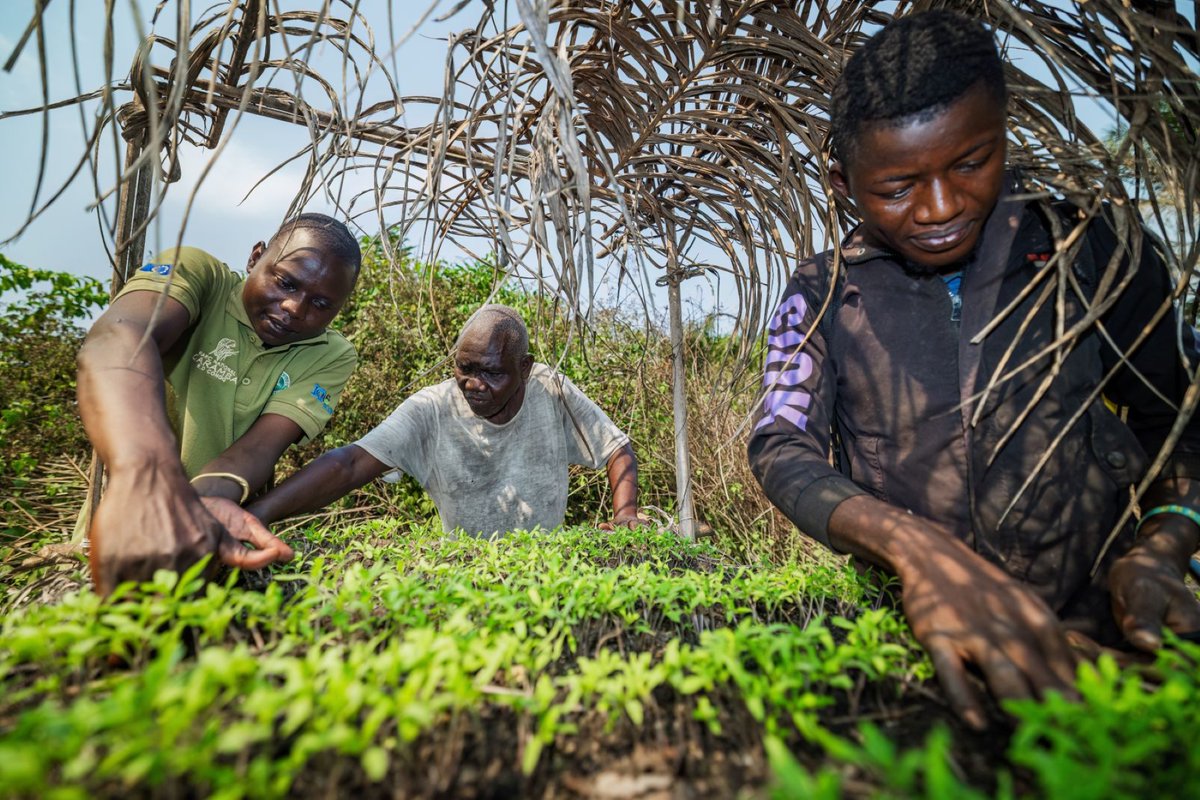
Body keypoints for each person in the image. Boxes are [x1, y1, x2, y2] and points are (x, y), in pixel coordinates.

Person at [748, 10, 1200, 729]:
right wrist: (916, 549)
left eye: (971, 162)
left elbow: (1183, 424)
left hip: (1111, 653)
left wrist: (1166, 545)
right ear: (842, 181)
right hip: (920, 661)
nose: (941, 207)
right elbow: (780, 444)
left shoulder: (1089, 247)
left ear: (1004, 128)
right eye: (896, 188)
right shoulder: (823, 293)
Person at [77, 212, 361, 594]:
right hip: (119, 523)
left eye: (322, 303)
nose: (295, 307)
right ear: (255, 257)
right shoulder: (196, 274)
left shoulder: (331, 355)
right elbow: (118, 338)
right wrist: (145, 476)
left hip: (213, 536)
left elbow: (262, 446)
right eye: (286, 283)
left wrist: (195, 510)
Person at [246, 304, 645, 537]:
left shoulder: (551, 390)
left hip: (547, 565)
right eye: (464, 368)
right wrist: (258, 514)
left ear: (523, 368)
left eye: (491, 373)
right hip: (465, 569)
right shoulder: (432, 408)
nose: (474, 384)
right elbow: (349, 464)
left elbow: (616, 448)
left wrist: (625, 513)